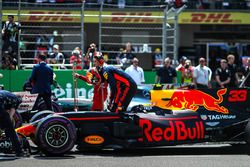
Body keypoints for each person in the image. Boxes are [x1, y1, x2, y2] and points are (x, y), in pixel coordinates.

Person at [0, 90, 23, 157]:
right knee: (11, 130)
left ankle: (6, 143)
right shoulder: (16, 101)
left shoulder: (8, 95)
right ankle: (18, 151)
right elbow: (10, 116)